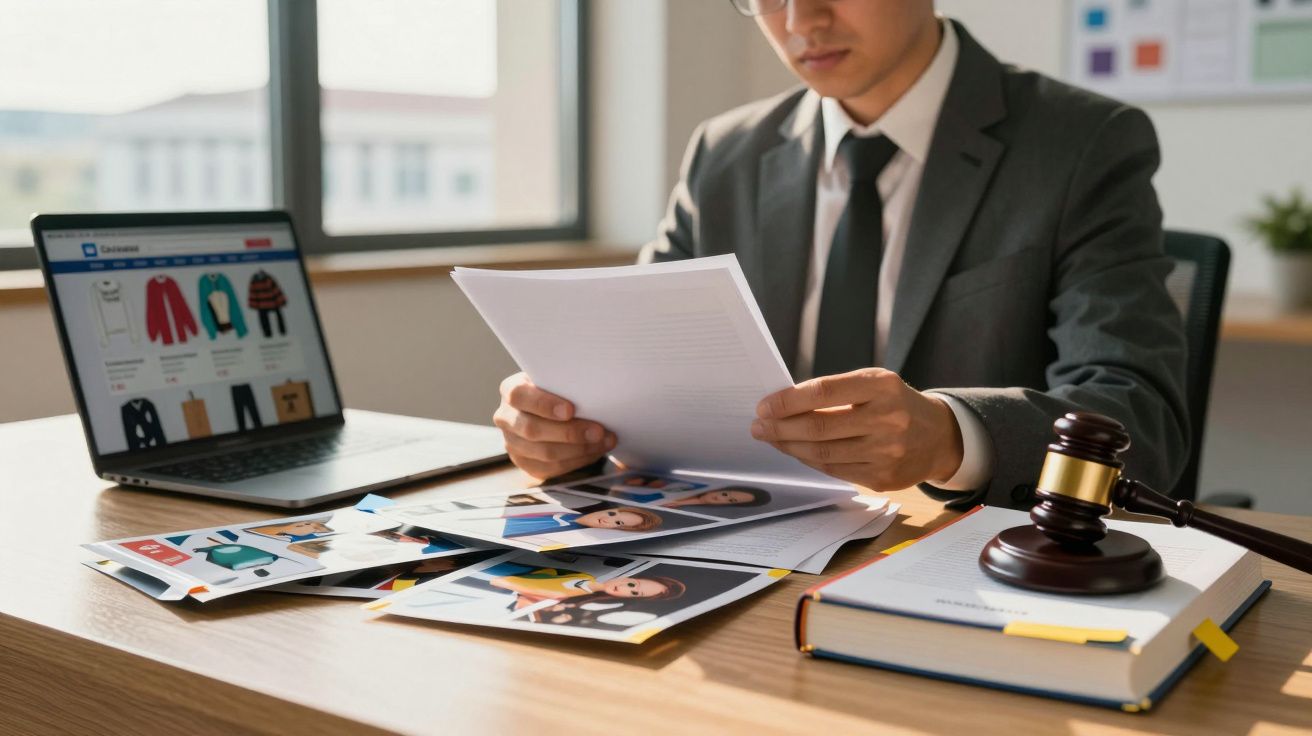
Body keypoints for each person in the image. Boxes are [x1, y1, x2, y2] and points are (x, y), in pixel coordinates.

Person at [493, 0, 1188, 511]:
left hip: (967, 563)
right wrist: (564, 426)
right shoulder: (725, 155)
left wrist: (951, 437)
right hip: (749, 544)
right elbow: (632, 367)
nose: (799, 20)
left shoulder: (1082, 143)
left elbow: (1141, 420)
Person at [489, 567, 686, 611]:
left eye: (634, 592)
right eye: (633, 584)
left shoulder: (572, 600)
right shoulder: (584, 575)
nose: (625, 587)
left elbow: (521, 604)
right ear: (630, 576)